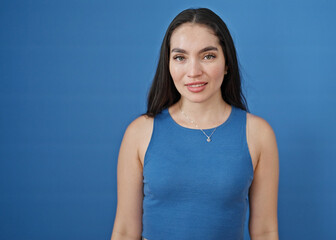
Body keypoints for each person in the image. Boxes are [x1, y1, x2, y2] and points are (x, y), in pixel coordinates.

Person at [111, 8, 279, 240]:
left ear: (227, 62)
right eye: (180, 57)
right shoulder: (139, 132)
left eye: (208, 56)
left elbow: (265, 232)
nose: (193, 72)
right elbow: (125, 231)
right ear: (168, 65)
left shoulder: (258, 134)